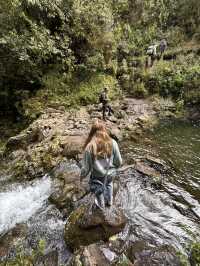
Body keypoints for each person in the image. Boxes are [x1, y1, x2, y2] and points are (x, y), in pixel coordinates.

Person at [80, 120, 122, 209]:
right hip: (110, 173)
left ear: (92, 132)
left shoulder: (90, 147)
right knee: (109, 184)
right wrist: (114, 169)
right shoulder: (113, 143)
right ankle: (109, 202)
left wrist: (82, 176)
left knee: (98, 190)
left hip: (97, 176)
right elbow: (119, 162)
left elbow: (86, 168)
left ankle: (101, 205)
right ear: (104, 130)